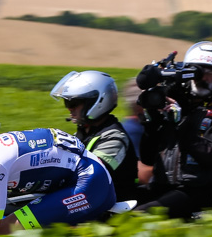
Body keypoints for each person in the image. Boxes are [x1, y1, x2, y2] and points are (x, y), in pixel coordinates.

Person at [133, 41, 212, 218]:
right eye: (197, 72)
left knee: (139, 216)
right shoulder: (174, 103)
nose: (203, 78)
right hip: (162, 185)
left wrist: (181, 125)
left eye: (210, 74)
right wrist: (151, 123)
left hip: (197, 191)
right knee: (114, 206)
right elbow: (147, 157)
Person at [50, 70, 145, 201]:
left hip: (110, 209)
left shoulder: (115, 137)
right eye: (66, 103)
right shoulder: (84, 133)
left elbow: (91, 175)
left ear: (96, 102)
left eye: (73, 103)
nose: (69, 109)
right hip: (86, 201)